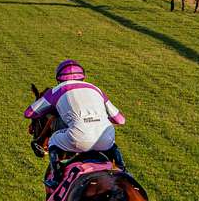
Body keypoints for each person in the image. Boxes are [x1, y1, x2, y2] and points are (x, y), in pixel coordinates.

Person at [25, 59, 126, 188]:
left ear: (59, 78)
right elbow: (120, 120)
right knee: (110, 141)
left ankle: (56, 177)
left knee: (53, 140)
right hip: (105, 138)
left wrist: (52, 107)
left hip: (78, 137)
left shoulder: (56, 90)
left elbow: (29, 113)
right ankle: (123, 169)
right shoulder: (96, 89)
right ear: (82, 77)